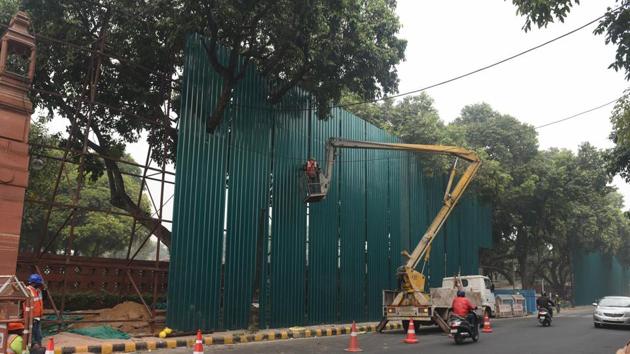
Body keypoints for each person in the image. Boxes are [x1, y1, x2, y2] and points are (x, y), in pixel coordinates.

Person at [26, 273, 44, 347]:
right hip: (32, 318)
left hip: (37, 318)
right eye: (38, 283)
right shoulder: (28, 290)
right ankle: (35, 349)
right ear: (33, 283)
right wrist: (31, 317)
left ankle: (38, 349)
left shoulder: (37, 291)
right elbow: (26, 306)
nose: (39, 285)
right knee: (33, 336)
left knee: (38, 336)